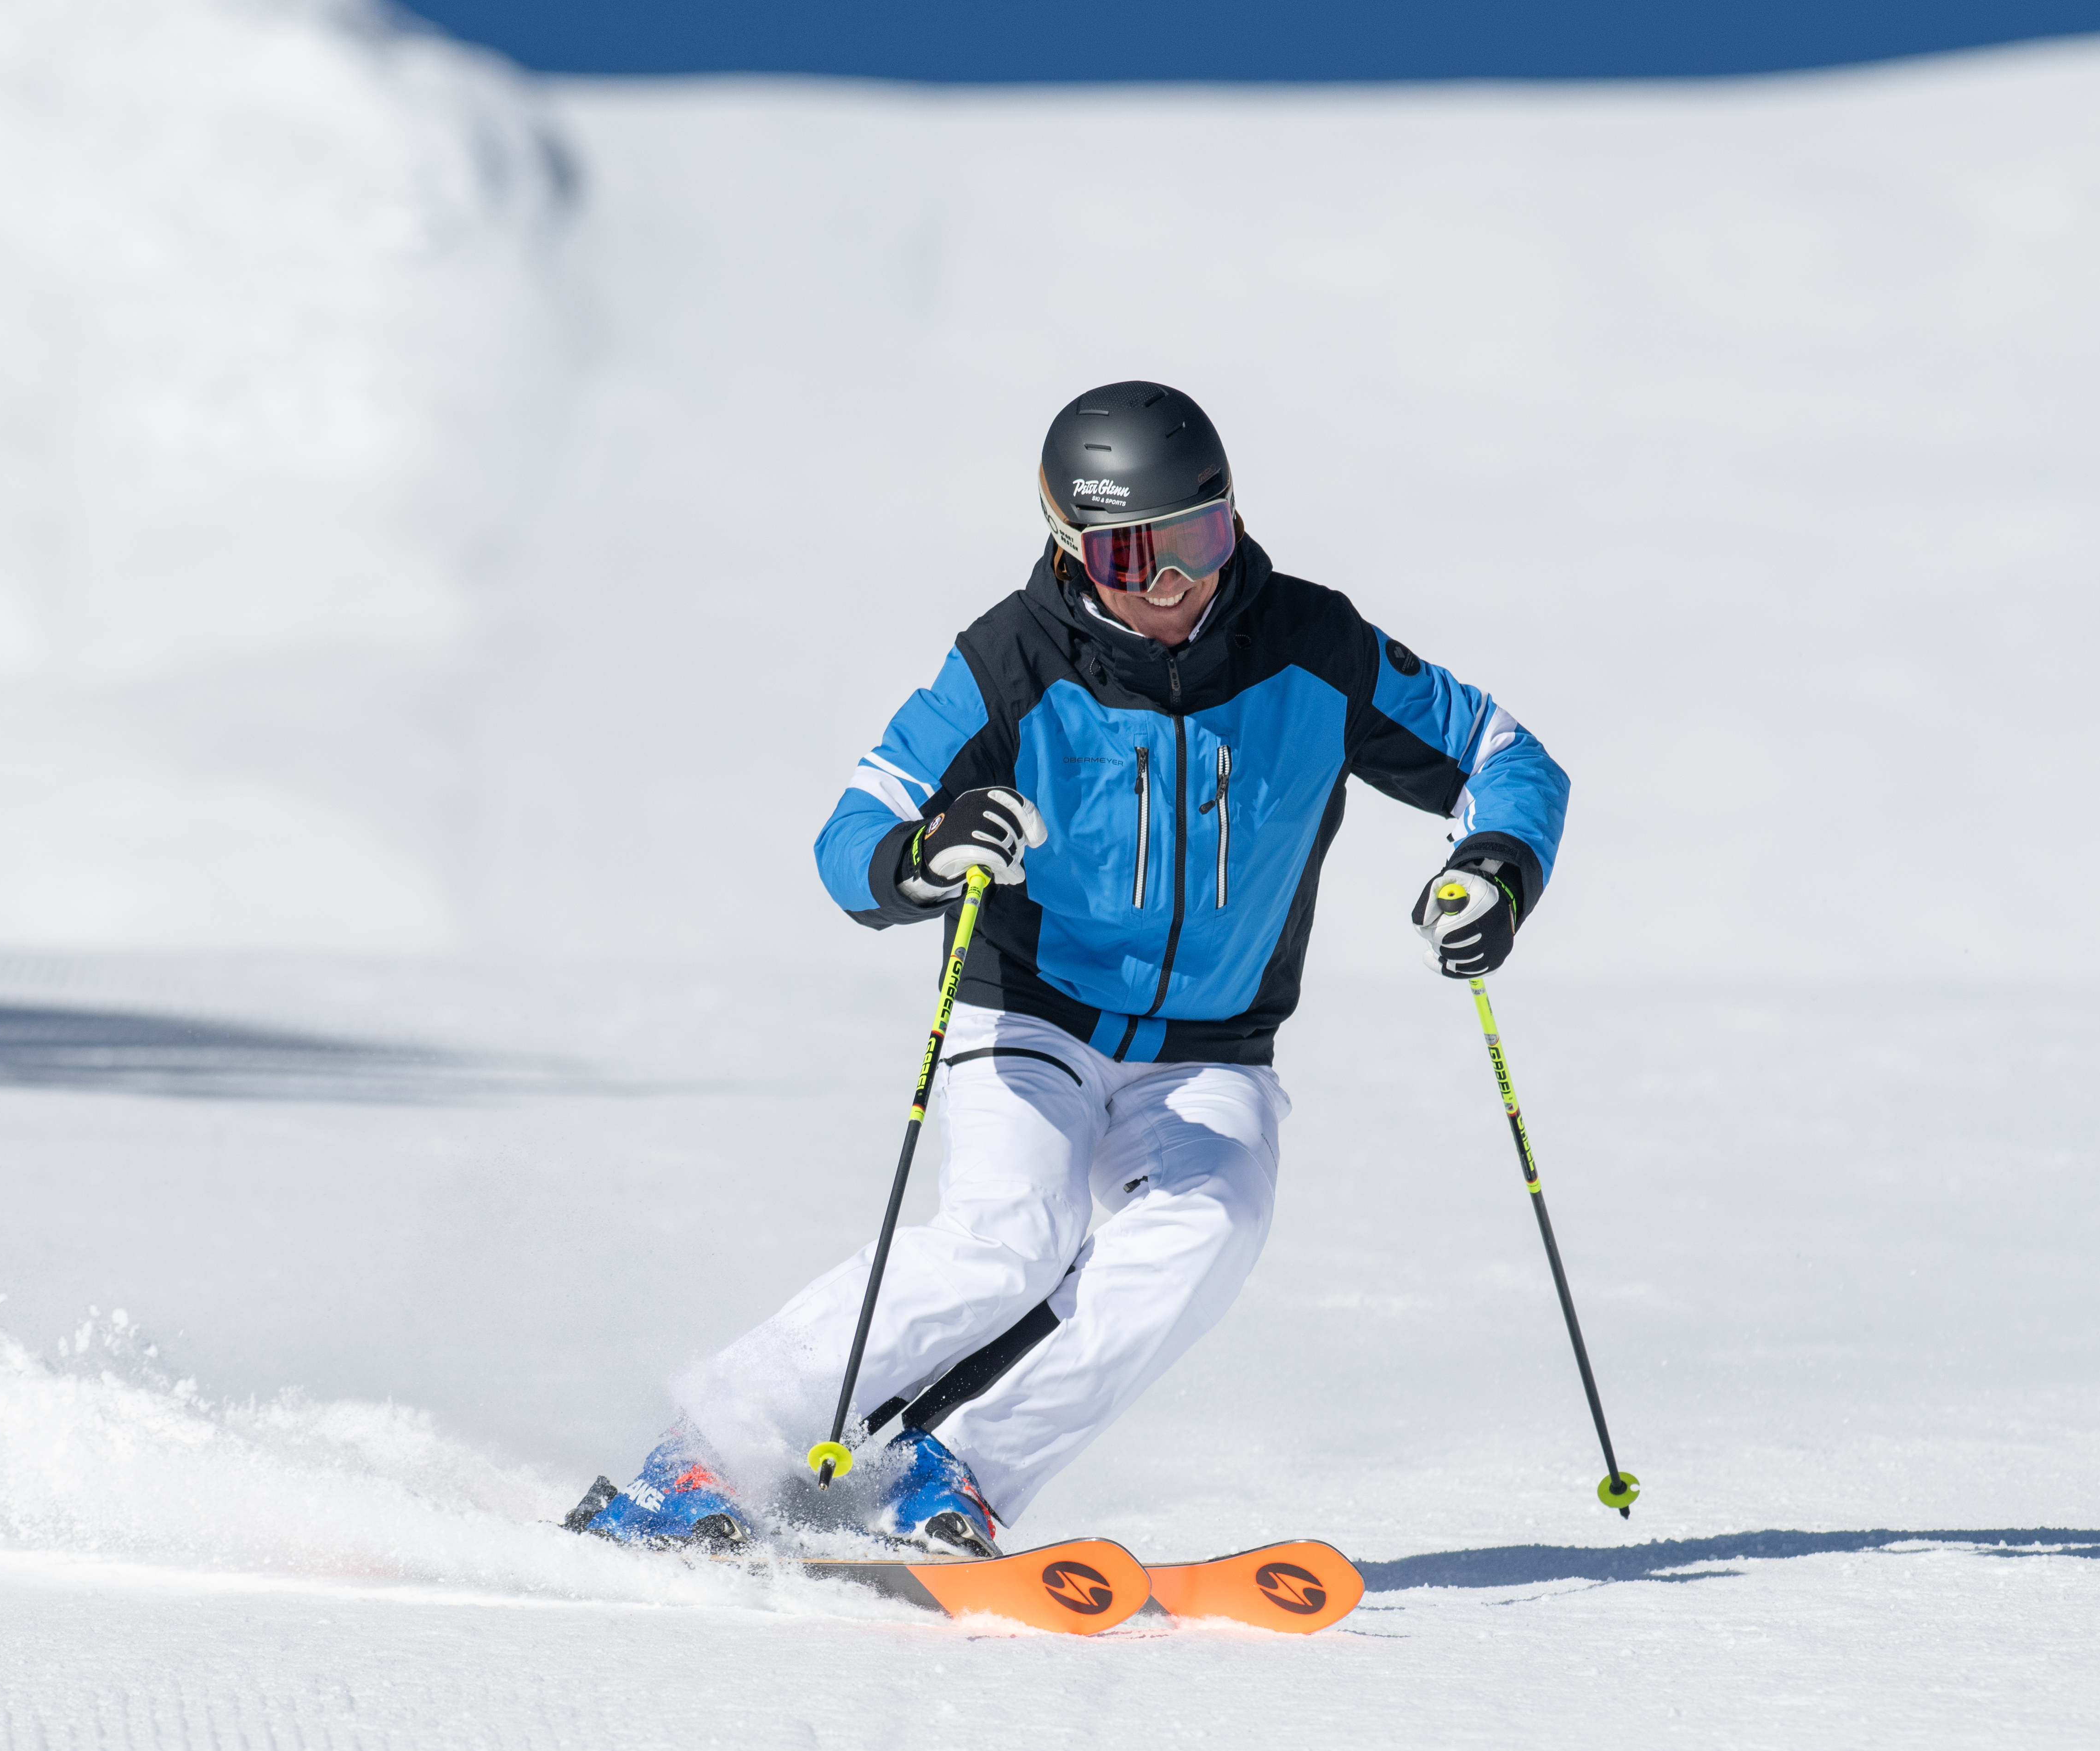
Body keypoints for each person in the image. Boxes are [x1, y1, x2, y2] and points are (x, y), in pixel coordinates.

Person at [568, 380, 1569, 1556]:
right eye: (1127, 554)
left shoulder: (1317, 646)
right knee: (1009, 1235)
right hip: (1031, 1013)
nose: (1172, 584)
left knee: (1215, 1223)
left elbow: (1503, 753)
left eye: (1198, 537)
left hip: (1213, 1040)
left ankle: (954, 1475)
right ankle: (703, 1450)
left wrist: (1495, 867)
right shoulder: (1006, 662)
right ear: (1067, 547)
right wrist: (922, 856)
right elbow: (854, 836)